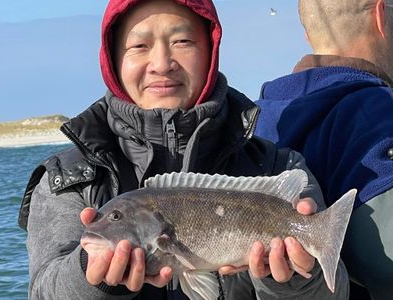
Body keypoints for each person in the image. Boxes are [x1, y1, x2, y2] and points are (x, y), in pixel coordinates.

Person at [18, 0, 349, 299]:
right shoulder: (68, 178)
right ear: (114, 60)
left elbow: (335, 294)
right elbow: (42, 292)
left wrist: (292, 281)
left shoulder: (279, 167)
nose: (162, 63)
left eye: (182, 41)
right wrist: (91, 278)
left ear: (211, 51)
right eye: (139, 45)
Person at [254, 0, 393, 299]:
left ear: (308, 35)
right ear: (381, 16)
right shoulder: (379, 111)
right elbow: (386, 259)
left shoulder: (254, 123)